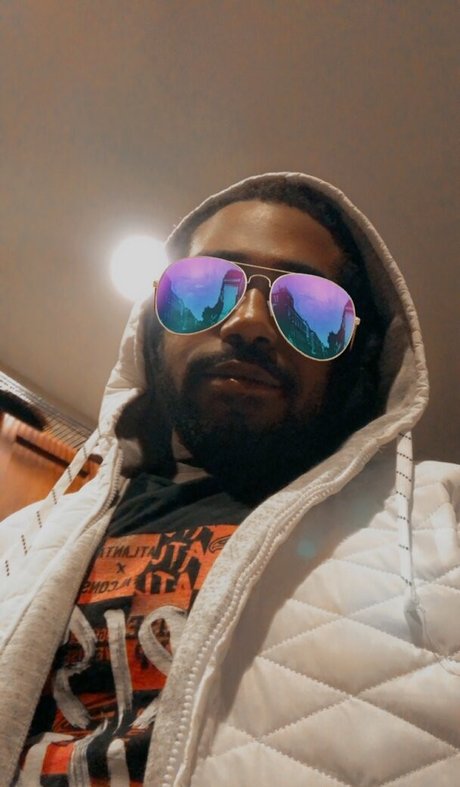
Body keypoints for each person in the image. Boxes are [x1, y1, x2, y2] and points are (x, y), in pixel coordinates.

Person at [1, 172, 459, 786]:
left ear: (359, 355)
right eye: (204, 287)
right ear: (153, 329)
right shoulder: (19, 540)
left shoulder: (444, 522)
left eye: (309, 306)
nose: (249, 323)